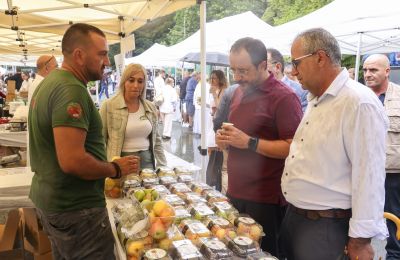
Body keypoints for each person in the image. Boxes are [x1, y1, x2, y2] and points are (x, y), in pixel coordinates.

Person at [28, 23, 139, 260]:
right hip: (76, 209)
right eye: (101, 54)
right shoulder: (71, 90)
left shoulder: (51, 82)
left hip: (56, 203)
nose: (107, 61)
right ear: (79, 55)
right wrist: (114, 168)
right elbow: (72, 161)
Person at [281, 28, 388, 260]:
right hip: (298, 219)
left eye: (296, 63)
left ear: (320, 57)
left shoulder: (358, 102)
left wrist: (360, 241)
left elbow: (369, 176)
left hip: (325, 228)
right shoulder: (318, 99)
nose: (293, 71)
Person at [215, 37, 302, 256]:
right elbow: (237, 135)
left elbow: (295, 148)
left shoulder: (284, 97)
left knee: (263, 254)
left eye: (243, 71)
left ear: (263, 65)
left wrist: (250, 142)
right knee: (234, 251)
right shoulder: (237, 92)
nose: (236, 77)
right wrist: (223, 140)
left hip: (266, 200)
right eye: (233, 70)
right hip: (235, 192)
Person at [363, 54, 400, 260]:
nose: (368, 74)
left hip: (392, 172)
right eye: (365, 70)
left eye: (373, 70)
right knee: (360, 219)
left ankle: (394, 256)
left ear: (387, 71)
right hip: (362, 171)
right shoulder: (356, 96)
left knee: (394, 218)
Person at [100, 63, 167, 169]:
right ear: (124, 82)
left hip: (147, 163)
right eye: (131, 80)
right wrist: (106, 169)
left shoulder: (150, 107)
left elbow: (157, 140)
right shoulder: (109, 106)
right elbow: (100, 141)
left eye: (140, 81)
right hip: (120, 164)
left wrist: (163, 166)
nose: (136, 85)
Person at [267, 48, 308, 112]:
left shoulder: (301, 91)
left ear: (277, 67)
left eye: (264, 65)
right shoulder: (255, 93)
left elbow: (304, 120)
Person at [206, 70, 228, 191]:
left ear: (220, 79)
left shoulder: (224, 91)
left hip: (220, 128)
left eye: (214, 78)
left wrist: (214, 94)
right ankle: (216, 183)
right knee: (212, 155)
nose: (212, 80)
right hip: (213, 125)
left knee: (221, 163)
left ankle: (222, 189)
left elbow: (221, 110)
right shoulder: (216, 91)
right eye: (211, 78)